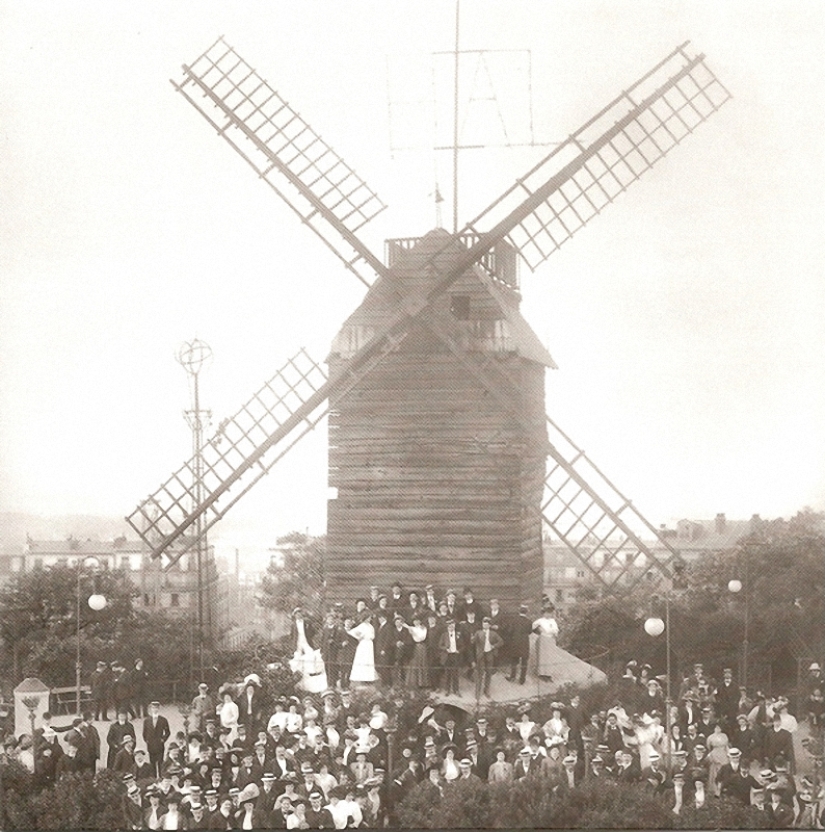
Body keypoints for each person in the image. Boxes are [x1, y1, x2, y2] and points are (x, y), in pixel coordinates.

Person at [291, 607, 328, 694]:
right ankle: (297, 674)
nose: (298, 615)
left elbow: (313, 632)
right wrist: (294, 642)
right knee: (297, 658)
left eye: (299, 613)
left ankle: (312, 672)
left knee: (311, 656)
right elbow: (292, 635)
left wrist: (308, 633)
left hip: (306, 641)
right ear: (295, 615)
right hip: (298, 642)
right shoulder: (293, 624)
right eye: (296, 614)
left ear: (302, 614)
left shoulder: (307, 622)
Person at [472, 617, 503, 699]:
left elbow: (501, 641)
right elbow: (473, 642)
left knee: (488, 674)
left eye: (486, 625)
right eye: (483, 624)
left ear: (489, 625)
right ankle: (477, 693)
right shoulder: (478, 633)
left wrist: (494, 646)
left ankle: (486, 691)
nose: (484, 626)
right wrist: (472, 638)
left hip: (489, 655)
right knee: (480, 674)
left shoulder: (493, 634)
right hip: (481, 656)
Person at [346, 610, 378, 685]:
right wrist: (359, 637)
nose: (370, 619)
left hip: (370, 644)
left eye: (370, 618)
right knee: (363, 660)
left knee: (369, 660)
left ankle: (369, 678)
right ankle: (362, 677)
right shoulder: (362, 626)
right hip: (363, 644)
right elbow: (352, 632)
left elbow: (373, 635)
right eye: (368, 617)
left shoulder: (370, 626)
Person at [143, 700, 171, 777]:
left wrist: (163, 739)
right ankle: (154, 778)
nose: (155, 709)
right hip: (151, 745)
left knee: (160, 763)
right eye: (153, 708)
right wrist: (147, 741)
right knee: (152, 764)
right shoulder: (147, 720)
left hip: (159, 745)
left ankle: (161, 777)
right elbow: (144, 733)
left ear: (158, 709)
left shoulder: (163, 720)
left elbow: (168, 732)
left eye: (156, 708)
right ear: (151, 709)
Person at [532, 604, 560, 679]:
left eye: (549, 613)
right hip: (543, 639)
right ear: (544, 613)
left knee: (549, 657)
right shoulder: (540, 621)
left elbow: (556, 629)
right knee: (542, 656)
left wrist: (554, 632)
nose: (548, 615)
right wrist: (538, 630)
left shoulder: (552, 621)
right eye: (546, 613)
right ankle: (542, 673)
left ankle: (548, 674)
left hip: (551, 640)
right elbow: (532, 627)